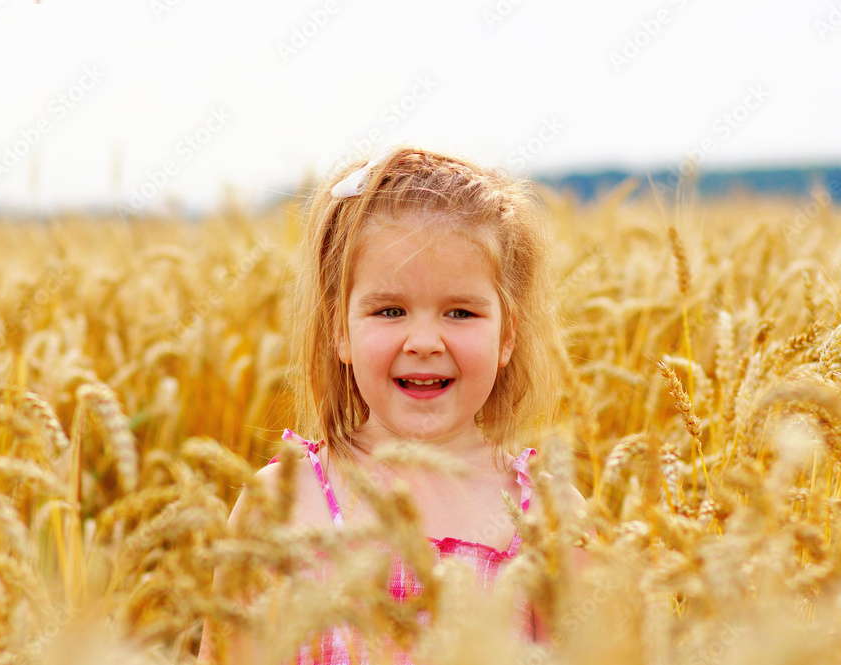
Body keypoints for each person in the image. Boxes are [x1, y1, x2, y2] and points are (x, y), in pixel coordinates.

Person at [198, 144, 591, 664]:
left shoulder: (548, 516)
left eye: (460, 312)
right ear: (340, 331)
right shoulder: (280, 506)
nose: (424, 341)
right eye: (389, 310)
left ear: (507, 337)